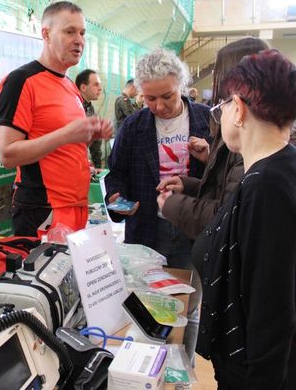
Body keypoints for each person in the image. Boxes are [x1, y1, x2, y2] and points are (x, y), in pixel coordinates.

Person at [192, 49, 296, 389]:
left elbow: (272, 313)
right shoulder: (280, 167)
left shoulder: (265, 187)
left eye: (222, 107)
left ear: (238, 109)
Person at [0, 1, 112, 237]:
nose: (79, 40)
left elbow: (61, 147)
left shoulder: (69, 85)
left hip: (76, 206)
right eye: (70, 31)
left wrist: (89, 135)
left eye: (82, 33)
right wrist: (67, 134)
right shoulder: (21, 81)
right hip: (44, 210)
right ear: (46, 34)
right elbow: (8, 155)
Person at [104, 47, 210, 268]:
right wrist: (117, 197)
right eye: (150, 98)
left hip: (195, 226)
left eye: (167, 96)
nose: (159, 106)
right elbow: (117, 173)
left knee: (191, 286)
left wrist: (208, 157)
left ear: (181, 86)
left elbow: (225, 176)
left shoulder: (206, 120)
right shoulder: (133, 126)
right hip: (147, 228)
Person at [157, 38, 269, 240]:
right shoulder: (242, 133)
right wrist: (190, 184)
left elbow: (228, 216)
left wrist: (174, 205)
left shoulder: (251, 141)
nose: (159, 106)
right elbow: (226, 187)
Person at [75, 68, 104, 168]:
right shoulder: (73, 107)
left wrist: (98, 167)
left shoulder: (89, 107)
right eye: (96, 85)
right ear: (83, 87)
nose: (100, 89)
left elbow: (96, 142)